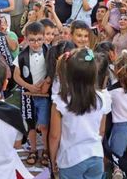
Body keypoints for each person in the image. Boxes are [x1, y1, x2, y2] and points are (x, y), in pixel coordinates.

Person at [48, 48, 112, 178]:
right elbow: (102, 131)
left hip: (70, 159)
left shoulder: (60, 102)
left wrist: (53, 158)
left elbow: (54, 136)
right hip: (96, 155)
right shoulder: (102, 98)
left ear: (68, 74)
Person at [13, 22, 52, 167]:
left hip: (44, 95)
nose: (36, 43)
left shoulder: (49, 53)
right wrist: (29, 86)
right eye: (32, 40)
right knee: (30, 123)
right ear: (26, 39)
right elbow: (16, 75)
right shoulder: (22, 55)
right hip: (28, 95)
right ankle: (33, 149)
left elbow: (53, 70)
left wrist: (44, 83)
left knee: (44, 124)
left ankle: (46, 150)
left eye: (39, 40)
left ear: (44, 38)